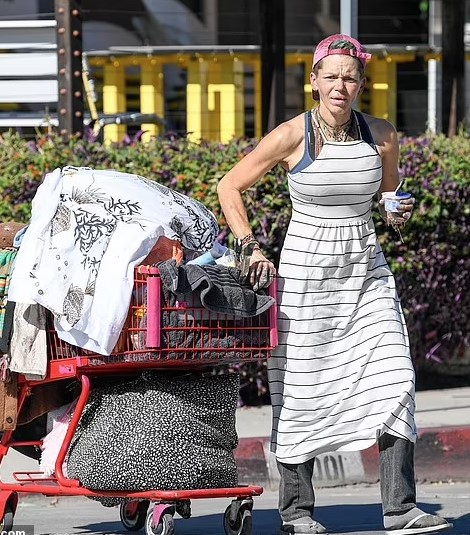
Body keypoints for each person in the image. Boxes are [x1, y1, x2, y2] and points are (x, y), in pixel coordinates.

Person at [217, 34, 453, 535]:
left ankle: (400, 508)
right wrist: (249, 244)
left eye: (350, 76)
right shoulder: (291, 135)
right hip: (306, 276)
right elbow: (229, 185)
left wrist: (397, 210)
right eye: (331, 76)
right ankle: (297, 511)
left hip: (367, 272)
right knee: (301, 391)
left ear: (362, 83)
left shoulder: (383, 135)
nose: (340, 85)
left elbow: (390, 199)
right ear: (314, 82)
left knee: (397, 378)